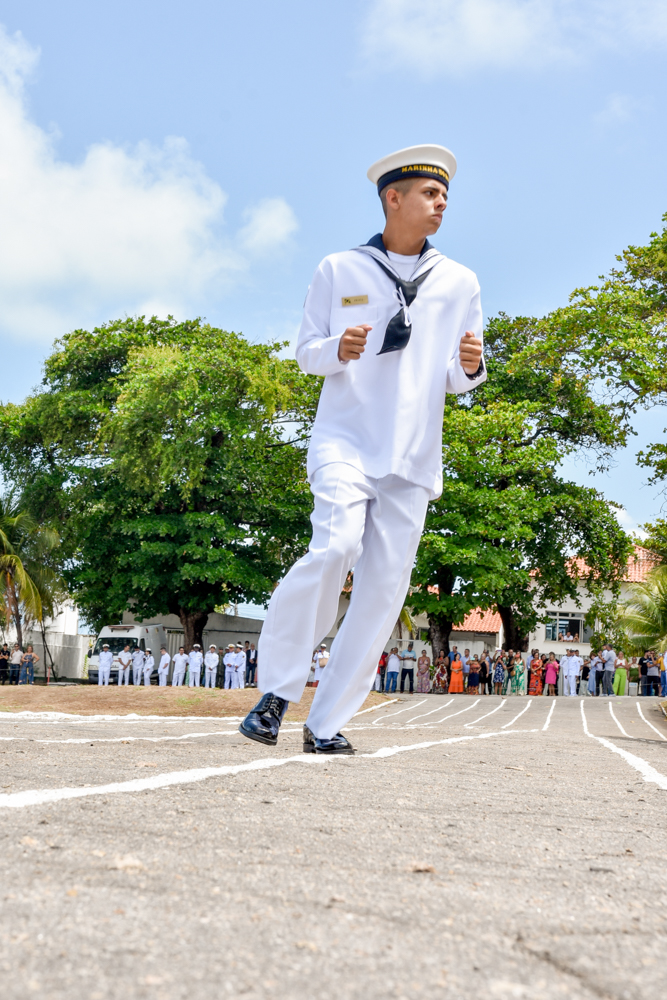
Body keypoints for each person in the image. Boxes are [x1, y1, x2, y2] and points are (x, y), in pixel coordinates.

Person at [239, 143, 486, 754]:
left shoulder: (459, 281)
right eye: (430, 193)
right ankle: (275, 692)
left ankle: (324, 723)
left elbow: (456, 375)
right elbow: (306, 352)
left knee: (381, 594)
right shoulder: (339, 268)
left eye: (446, 195)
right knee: (334, 547)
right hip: (345, 441)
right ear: (392, 198)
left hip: (413, 455)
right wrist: (339, 349)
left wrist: (471, 368)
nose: (442, 204)